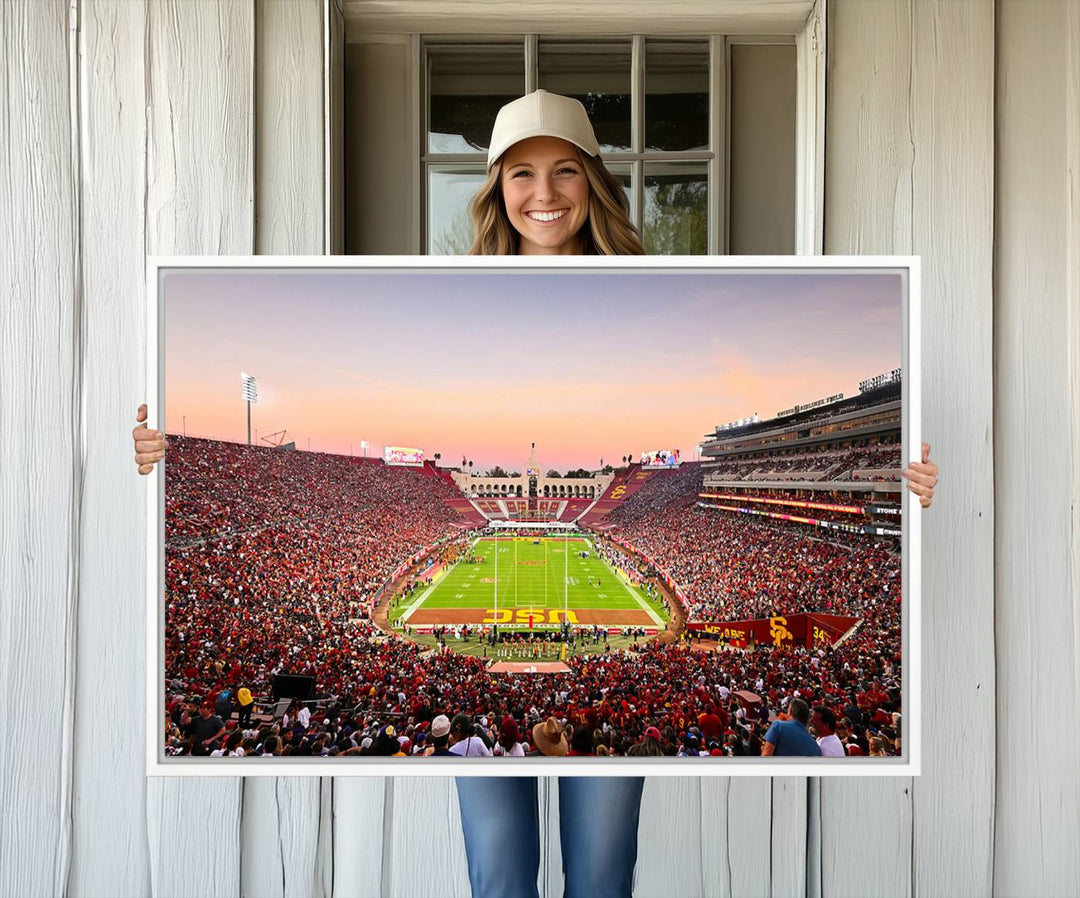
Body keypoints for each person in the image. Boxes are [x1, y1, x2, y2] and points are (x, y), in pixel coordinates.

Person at [132, 88, 941, 898]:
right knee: (500, 878)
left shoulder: (654, 285)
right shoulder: (454, 288)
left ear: (593, 180)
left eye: (564, 171)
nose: (544, 193)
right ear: (495, 188)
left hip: (573, 732)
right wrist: (159, 459)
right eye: (521, 173)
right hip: (499, 730)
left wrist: (906, 485)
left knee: (599, 876)